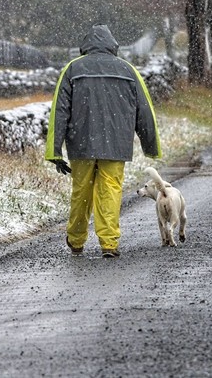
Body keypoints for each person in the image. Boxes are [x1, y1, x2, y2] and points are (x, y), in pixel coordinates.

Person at [45, 25, 161, 258]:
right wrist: (150, 145)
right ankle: (109, 243)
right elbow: (144, 110)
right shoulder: (127, 70)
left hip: (81, 143)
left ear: (86, 45)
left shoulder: (72, 69)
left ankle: (76, 240)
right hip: (116, 144)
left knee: (82, 192)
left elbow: (59, 111)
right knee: (110, 190)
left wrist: (55, 151)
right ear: (112, 45)